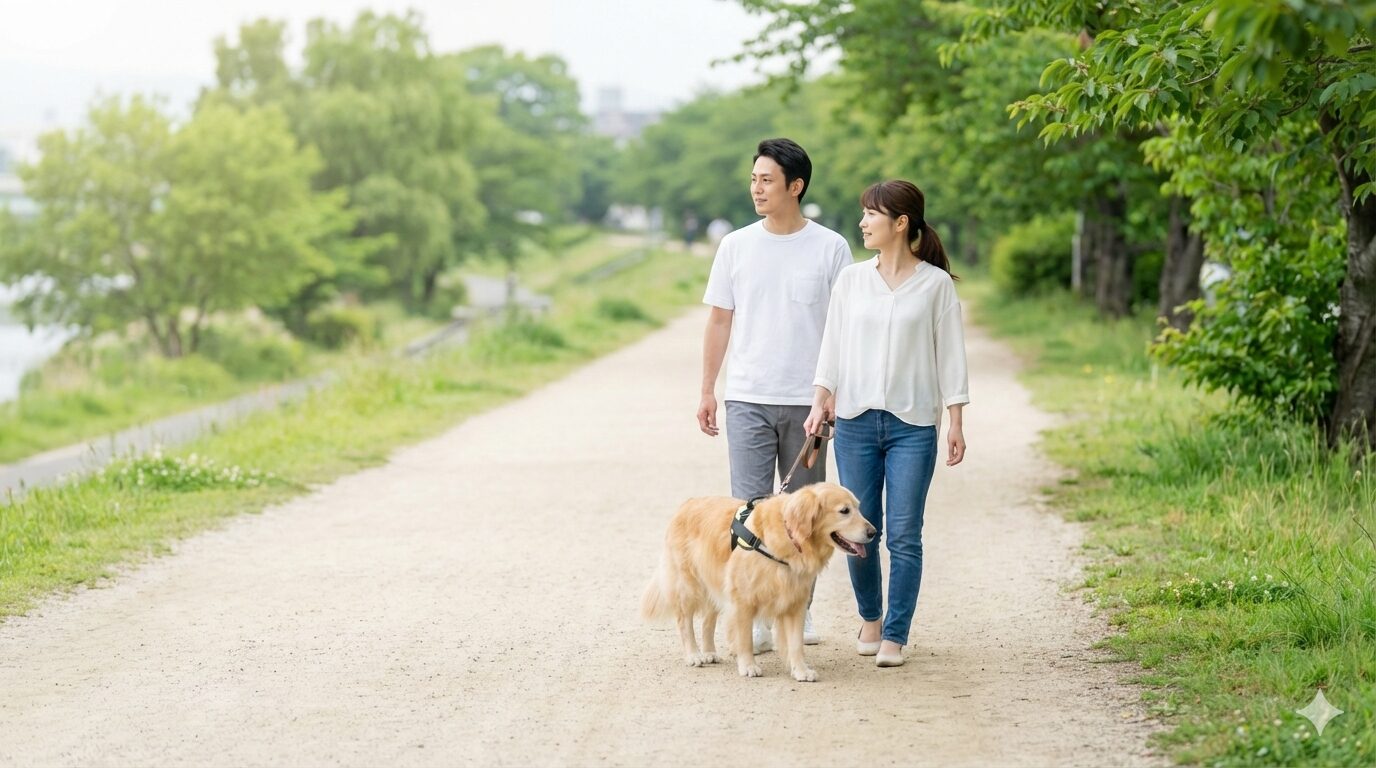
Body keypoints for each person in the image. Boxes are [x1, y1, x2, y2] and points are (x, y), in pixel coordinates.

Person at [804, 179, 969, 668]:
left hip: (913, 426)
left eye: (871, 215)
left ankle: (896, 634)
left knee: (903, 534)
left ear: (901, 223)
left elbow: (951, 357)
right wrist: (820, 399)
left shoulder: (936, 285)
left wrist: (956, 419)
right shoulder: (852, 280)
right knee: (856, 531)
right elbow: (831, 346)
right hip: (853, 422)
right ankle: (871, 618)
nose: (862, 223)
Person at [699, 138, 852, 653]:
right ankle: (757, 616)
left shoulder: (831, 247)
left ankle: (799, 612)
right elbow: (720, 319)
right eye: (753, 180)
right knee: (751, 513)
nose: (756, 189)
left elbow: (843, 326)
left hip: (809, 401)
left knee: (804, 517)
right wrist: (707, 390)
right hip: (746, 396)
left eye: (766, 180)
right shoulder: (736, 246)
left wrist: (830, 394)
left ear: (796, 186)